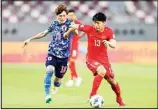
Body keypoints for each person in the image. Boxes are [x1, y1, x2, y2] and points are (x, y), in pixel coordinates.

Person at [66, 12, 126, 106]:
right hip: (91, 60)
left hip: (104, 61)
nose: (96, 25)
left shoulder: (109, 32)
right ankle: (92, 94)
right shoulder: (89, 29)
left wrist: (108, 43)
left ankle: (119, 99)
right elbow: (75, 25)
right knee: (101, 71)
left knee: (112, 81)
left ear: (104, 23)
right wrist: (68, 29)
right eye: (94, 22)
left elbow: (114, 44)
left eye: (98, 23)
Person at [23, 4, 78, 104]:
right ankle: (47, 95)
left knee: (58, 80)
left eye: (63, 16)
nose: (62, 18)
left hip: (64, 57)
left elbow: (77, 32)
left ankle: (55, 86)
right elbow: (43, 33)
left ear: (66, 16)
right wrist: (30, 39)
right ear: (57, 16)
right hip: (52, 53)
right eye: (60, 16)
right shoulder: (54, 24)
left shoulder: (70, 23)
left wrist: (70, 30)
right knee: (49, 70)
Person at [65, 9, 84, 87]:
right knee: (69, 62)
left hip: (74, 46)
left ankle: (75, 78)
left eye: (72, 15)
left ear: (75, 15)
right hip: (68, 45)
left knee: (72, 61)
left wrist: (79, 37)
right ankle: (73, 78)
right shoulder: (67, 23)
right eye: (69, 15)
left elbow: (84, 30)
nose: (70, 16)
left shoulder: (77, 23)